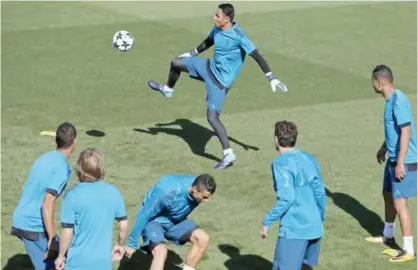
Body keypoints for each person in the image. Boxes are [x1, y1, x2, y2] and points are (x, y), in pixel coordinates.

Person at [147, 3, 288, 169]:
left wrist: (271, 78)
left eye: (217, 16)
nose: (214, 18)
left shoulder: (238, 35)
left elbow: (256, 55)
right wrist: (191, 54)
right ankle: (167, 89)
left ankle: (228, 154)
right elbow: (208, 42)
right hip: (208, 67)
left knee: (212, 117)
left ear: (226, 19)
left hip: (220, 82)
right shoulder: (217, 29)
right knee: (176, 62)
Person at [366, 64, 417, 262]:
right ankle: (388, 234)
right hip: (394, 158)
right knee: (388, 195)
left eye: (373, 82)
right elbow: (394, 131)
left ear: (379, 83)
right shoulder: (389, 101)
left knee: (400, 202)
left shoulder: (398, 101)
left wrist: (401, 162)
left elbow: (406, 131)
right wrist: (384, 148)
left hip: (405, 160)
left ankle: (409, 250)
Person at [10, 122, 77, 270]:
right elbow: (47, 203)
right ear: (74, 142)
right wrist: (52, 238)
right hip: (33, 226)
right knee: (57, 266)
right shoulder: (62, 168)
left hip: (24, 219)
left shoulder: (44, 158)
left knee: (64, 261)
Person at [261, 121, 326, 270]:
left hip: (295, 228)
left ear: (276, 139)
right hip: (314, 226)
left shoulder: (280, 163)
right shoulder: (310, 158)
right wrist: (320, 218)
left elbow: (287, 198)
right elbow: (320, 193)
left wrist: (267, 221)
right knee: (305, 266)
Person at [54, 148, 129, 270]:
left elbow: (67, 232)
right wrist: (120, 244)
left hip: (77, 262)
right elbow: (123, 224)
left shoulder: (71, 196)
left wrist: (61, 257)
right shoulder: (113, 192)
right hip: (103, 263)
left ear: (80, 169)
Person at [125, 174, 216, 270]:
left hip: (175, 221)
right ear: (194, 189)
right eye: (204, 197)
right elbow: (144, 215)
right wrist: (132, 243)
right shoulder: (169, 191)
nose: (206, 201)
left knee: (202, 238)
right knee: (161, 251)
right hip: (154, 221)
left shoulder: (199, 185)